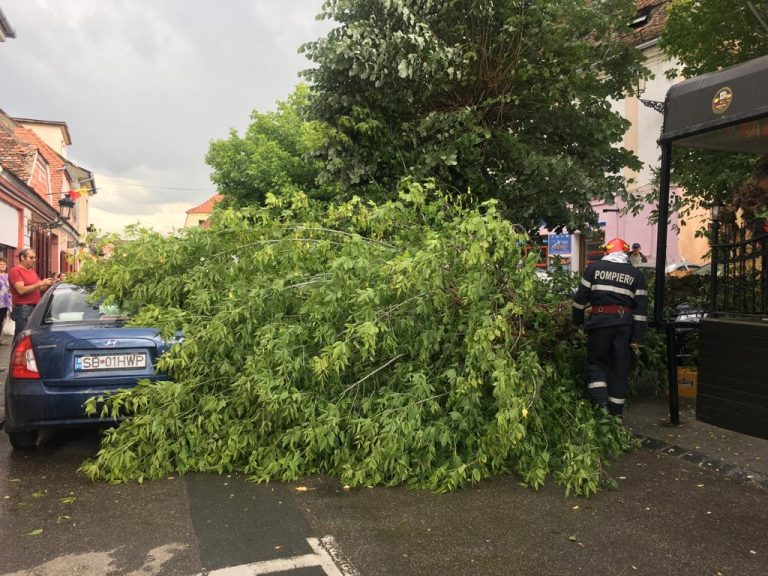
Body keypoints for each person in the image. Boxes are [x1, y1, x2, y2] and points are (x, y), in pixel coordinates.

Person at [572, 237, 648, 418]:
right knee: (619, 369)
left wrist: (577, 324)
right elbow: (640, 311)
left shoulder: (594, 268)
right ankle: (616, 415)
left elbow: (579, 301)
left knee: (596, 364)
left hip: (599, 324)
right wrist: (637, 338)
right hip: (624, 327)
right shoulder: (637, 275)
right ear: (626, 253)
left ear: (607, 252)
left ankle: (601, 408)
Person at [8, 248, 54, 342]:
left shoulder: (31, 271)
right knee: (22, 337)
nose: (34, 260)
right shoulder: (15, 271)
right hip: (23, 309)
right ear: (22, 257)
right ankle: (16, 357)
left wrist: (48, 284)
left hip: (35, 307)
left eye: (35, 258)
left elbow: (40, 289)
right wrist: (40, 283)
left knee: (33, 338)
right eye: (31, 257)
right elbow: (21, 290)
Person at [0, 257, 11, 344]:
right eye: (1, 264)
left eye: (4, 264)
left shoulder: (8, 276)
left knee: (2, 320)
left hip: (5, 302)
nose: (3, 266)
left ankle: (0, 338)